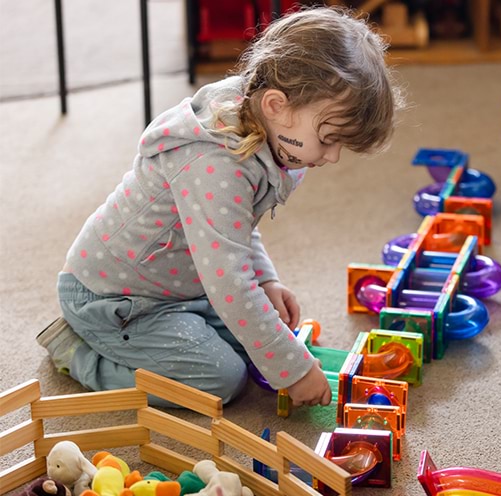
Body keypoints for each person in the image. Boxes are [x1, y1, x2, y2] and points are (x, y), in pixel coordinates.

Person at [37, 6, 403, 408]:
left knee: (257, 337)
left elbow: (236, 225)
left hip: (181, 286)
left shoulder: (270, 128)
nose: (332, 157)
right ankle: (80, 355)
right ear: (276, 105)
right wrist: (293, 369)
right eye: (329, 139)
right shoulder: (214, 164)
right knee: (221, 379)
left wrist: (265, 280)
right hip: (114, 302)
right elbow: (228, 281)